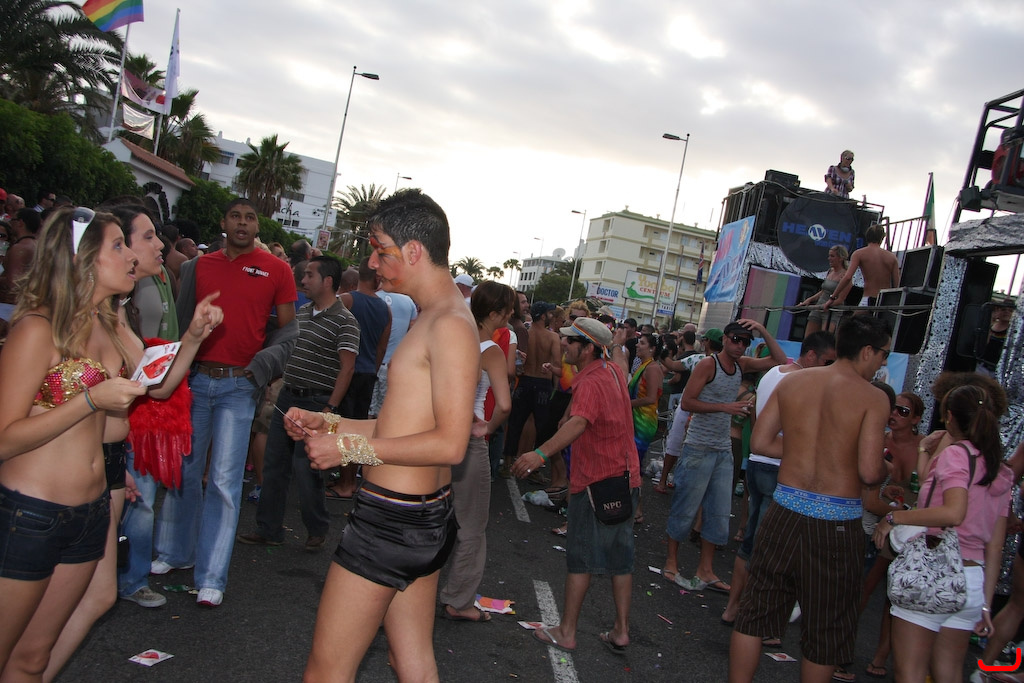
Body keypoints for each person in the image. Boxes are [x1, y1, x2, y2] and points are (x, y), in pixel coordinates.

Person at [282, 189, 479, 682]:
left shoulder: (450, 324)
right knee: (410, 662)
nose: (371, 262)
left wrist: (347, 448)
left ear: (413, 251)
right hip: (416, 518)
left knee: (326, 671)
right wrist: (328, 423)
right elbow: (401, 428)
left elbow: (451, 443)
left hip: (394, 523)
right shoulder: (435, 316)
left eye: (379, 249)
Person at [44, 205, 223, 681]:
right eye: (137, 239)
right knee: (49, 605)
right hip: (57, 480)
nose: (157, 245)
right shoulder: (55, 324)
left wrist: (192, 338)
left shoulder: (116, 317)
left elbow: (154, 388)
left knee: (97, 595)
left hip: (104, 468)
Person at [0, 207, 147, 678]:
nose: (131, 256)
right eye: (118, 246)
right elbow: (3, 439)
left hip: (89, 514)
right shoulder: (37, 329)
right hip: (30, 515)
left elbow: (121, 415)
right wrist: (89, 400)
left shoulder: (105, 328)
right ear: (82, 258)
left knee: (33, 660)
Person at [729, 315, 892, 683]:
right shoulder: (872, 397)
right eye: (883, 353)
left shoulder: (795, 382)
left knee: (755, 614)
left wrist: (805, 449)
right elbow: (869, 472)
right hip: (836, 522)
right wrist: (887, 468)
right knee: (826, 629)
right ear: (868, 351)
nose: (882, 361)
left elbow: (761, 443)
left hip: (784, 510)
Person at [152, 198, 296, 608]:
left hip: (239, 387)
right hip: (196, 381)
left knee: (224, 483)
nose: (242, 223)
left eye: (250, 218)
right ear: (224, 222)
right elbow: (183, 325)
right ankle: (174, 553)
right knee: (184, 471)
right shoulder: (199, 267)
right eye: (235, 216)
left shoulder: (277, 270)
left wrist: (261, 370)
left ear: (257, 226)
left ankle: (212, 576)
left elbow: (289, 332)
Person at [511, 316, 639, 655]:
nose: (563, 343)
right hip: (627, 477)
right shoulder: (612, 370)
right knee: (620, 559)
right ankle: (621, 631)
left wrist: (539, 453)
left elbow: (579, 422)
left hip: (598, 482)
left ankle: (566, 632)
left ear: (587, 349)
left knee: (581, 558)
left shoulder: (592, 380)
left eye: (570, 340)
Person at [873, 385, 1013, 683]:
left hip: (934, 571)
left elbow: (952, 513)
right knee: (948, 672)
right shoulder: (1000, 471)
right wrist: (986, 604)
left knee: (910, 671)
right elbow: (995, 546)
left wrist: (894, 517)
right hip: (972, 580)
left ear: (949, 417)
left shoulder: (955, 456)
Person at [236, 256, 359, 552]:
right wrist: (272, 382)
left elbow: (347, 368)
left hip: (317, 402)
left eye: (309, 275)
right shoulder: (301, 313)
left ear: (327, 281)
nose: (303, 281)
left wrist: (329, 408)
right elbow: (286, 351)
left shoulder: (345, 321)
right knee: (274, 465)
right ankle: (269, 529)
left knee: (307, 470)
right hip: (288, 397)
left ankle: (317, 529)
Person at [720, 331, 836, 628]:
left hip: (758, 463)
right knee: (769, 546)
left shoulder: (774, 372)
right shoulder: (803, 381)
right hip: (779, 467)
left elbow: (757, 417)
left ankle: (734, 607)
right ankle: (753, 613)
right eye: (827, 361)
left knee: (752, 540)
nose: (829, 368)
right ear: (811, 355)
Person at [662, 320, 786, 593]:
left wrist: (763, 329)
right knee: (685, 507)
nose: (740, 345)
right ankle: (671, 563)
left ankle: (705, 571)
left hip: (722, 450)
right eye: (736, 339)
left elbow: (779, 360)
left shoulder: (742, 364)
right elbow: (687, 402)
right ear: (726, 339)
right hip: (698, 446)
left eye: (745, 341)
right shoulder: (708, 365)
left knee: (718, 513)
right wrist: (725, 407)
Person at [439, 281, 513, 622]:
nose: (510, 316)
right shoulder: (490, 350)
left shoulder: (457, 338)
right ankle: (459, 600)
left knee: (435, 515)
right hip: (469, 441)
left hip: (441, 436)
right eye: (507, 310)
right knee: (471, 525)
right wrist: (488, 427)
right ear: (494, 313)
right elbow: (505, 405)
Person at [628, 331, 663, 524]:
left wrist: (626, 404)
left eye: (642, 343)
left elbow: (650, 398)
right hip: (637, 419)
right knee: (632, 464)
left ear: (652, 349)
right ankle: (634, 507)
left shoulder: (652, 368)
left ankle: (638, 510)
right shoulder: (645, 365)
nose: (637, 345)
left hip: (643, 423)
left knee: (634, 465)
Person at [826, 223, 901, 310]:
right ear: (882, 238)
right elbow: (896, 285)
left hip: (868, 298)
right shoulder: (892, 257)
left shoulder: (859, 253)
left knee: (856, 318)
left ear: (867, 236)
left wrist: (832, 297)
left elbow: (848, 277)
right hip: (884, 300)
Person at [800, 245, 849, 335]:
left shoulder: (845, 276)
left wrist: (826, 305)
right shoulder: (830, 271)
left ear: (840, 258)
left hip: (832, 309)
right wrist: (809, 300)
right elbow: (823, 291)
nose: (829, 258)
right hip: (819, 305)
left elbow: (840, 299)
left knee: (824, 337)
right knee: (809, 336)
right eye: (829, 256)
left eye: (832, 256)